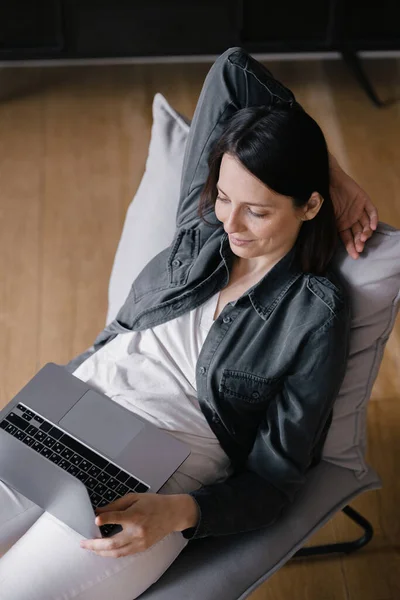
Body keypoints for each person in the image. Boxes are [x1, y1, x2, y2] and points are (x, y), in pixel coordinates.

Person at [0, 47, 378, 599]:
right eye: (225, 197)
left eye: (259, 210)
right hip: (76, 408)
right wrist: (334, 172)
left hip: (166, 472)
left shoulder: (313, 312)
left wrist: (175, 514)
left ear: (310, 206)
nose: (232, 222)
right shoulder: (202, 227)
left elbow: (277, 478)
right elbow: (234, 69)